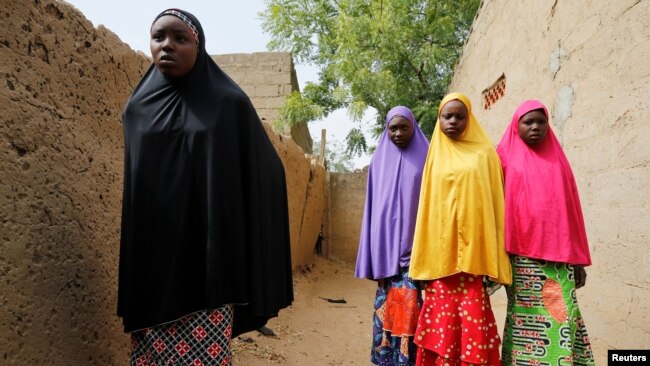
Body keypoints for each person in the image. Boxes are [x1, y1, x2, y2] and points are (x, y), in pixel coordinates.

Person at [117, 9, 293, 365]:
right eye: (159, 37)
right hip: (152, 255)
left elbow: (268, 169)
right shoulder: (138, 108)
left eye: (180, 38)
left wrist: (234, 219)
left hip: (209, 259)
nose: (167, 45)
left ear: (198, 46)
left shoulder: (227, 102)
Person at [409, 92, 512, 365]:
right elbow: (427, 211)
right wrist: (421, 261)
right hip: (440, 261)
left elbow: (494, 204)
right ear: (439, 119)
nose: (453, 121)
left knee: (473, 323)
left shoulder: (485, 153)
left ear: (470, 119)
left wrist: (493, 254)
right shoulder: (435, 155)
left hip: (473, 261)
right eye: (447, 116)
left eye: (460, 116)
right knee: (440, 328)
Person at [496, 100, 594, 365]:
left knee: (564, 312)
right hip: (520, 258)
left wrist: (578, 261)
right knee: (525, 317)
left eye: (541, 122)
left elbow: (571, 212)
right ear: (517, 126)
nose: (536, 127)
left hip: (558, 261)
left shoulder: (559, 162)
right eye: (529, 122)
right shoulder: (502, 159)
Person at [355, 106, 429, 365]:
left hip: (414, 256)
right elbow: (373, 208)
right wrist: (374, 252)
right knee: (384, 313)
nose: (398, 133)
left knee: (410, 314)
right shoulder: (378, 160)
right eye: (393, 128)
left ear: (413, 127)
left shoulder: (427, 157)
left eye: (404, 127)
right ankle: (386, 359)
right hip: (386, 257)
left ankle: (406, 360)